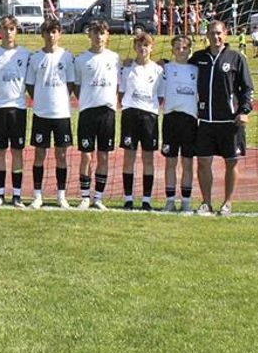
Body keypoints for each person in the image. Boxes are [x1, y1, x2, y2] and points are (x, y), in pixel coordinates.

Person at [190, 21, 254, 216]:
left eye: (219, 33)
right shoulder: (198, 58)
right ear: (207, 36)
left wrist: (244, 110)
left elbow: (248, 88)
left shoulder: (236, 58)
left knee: (231, 162)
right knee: (203, 162)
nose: (215, 37)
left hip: (230, 122)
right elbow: (181, 69)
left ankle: (227, 202)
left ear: (225, 34)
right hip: (205, 122)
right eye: (212, 33)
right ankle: (206, 202)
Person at [25, 18, 75, 209]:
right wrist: (41, 99)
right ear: (42, 34)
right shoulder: (35, 57)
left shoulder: (67, 57)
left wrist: (59, 98)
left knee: (61, 155)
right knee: (39, 154)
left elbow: (70, 84)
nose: (51, 35)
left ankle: (61, 196)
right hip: (41, 113)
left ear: (59, 34)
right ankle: (38, 196)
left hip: (61, 113)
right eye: (47, 32)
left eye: (54, 32)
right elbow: (30, 85)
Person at [73, 20, 120, 210]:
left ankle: (98, 197)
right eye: (95, 33)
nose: (99, 37)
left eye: (102, 33)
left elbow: (118, 86)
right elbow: (76, 86)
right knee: (86, 156)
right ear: (89, 35)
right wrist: (87, 100)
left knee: (104, 156)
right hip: (87, 112)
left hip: (107, 112)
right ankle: (85, 196)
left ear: (107, 35)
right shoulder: (81, 60)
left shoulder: (115, 58)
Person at [0, 15, 31, 207]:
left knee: (17, 152)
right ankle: (0, 194)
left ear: (16, 31)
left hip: (18, 108)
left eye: (12, 29)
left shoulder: (25, 54)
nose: (8, 32)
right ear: (0, 31)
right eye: (5, 28)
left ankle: (17, 195)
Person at [117, 33, 162, 210]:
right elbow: (120, 94)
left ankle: (146, 200)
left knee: (148, 158)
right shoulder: (127, 68)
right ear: (135, 47)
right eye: (139, 45)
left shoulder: (158, 70)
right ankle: (128, 198)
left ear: (152, 47)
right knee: (129, 157)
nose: (143, 48)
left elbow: (161, 96)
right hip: (130, 115)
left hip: (150, 116)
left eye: (146, 45)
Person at [160, 35, 198, 213]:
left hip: (190, 120)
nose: (181, 51)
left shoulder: (196, 70)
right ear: (172, 50)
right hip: (171, 119)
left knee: (188, 163)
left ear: (190, 50)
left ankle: (186, 201)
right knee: (170, 162)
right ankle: (169, 200)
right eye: (177, 47)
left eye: (184, 48)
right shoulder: (165, 68)